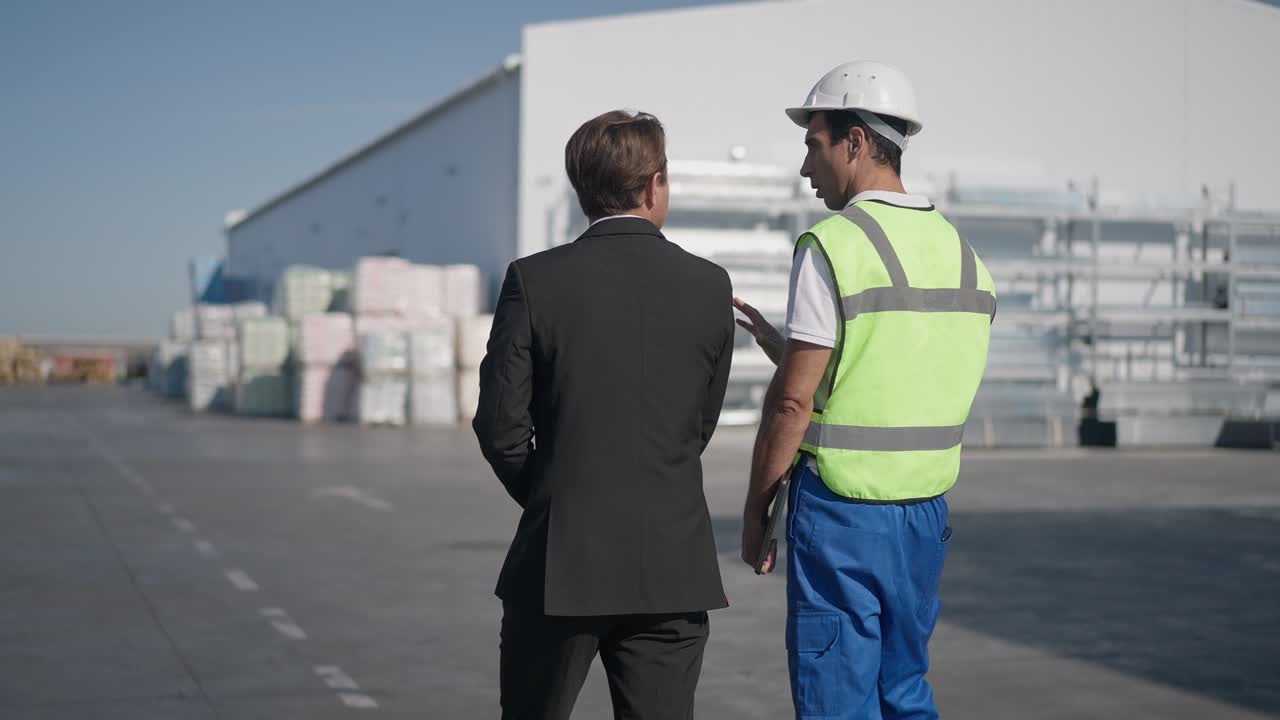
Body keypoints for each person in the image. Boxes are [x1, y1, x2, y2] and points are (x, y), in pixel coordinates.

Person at [735, 61, 996, 719]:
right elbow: (890, 368)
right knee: (903, 691)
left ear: (855, 141)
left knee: (838, 702)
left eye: (813, 145)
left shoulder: (834, 245)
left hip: (843, 514)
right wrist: (784, 348)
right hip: (924, 516)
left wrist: (756, 512)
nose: (805, 167)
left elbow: (793, 403)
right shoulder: (964, 256)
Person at [473, 109, 735, 720]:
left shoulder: (534, 280)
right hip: (671, 567)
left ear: (581, 190)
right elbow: (699, 423)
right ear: (653, 186)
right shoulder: (709, 285)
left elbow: (501, 428)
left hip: (560, 561)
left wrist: (554, 496)